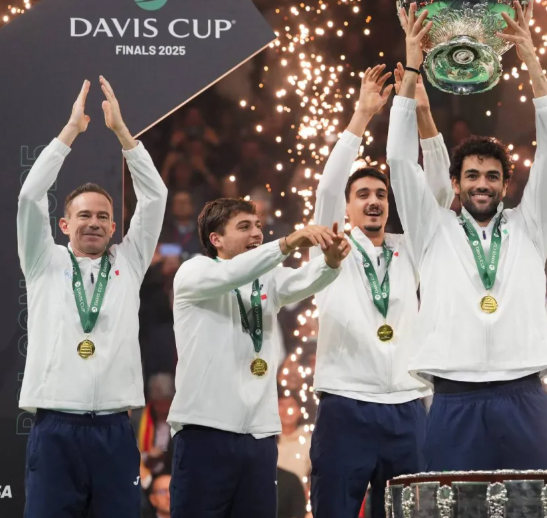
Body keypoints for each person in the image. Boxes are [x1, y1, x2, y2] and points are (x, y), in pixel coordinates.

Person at [387, 1, 547, 470]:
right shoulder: (431, 228)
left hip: (524, 391)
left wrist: (531, 60)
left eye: (492, 176)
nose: (482, 184)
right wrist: (411, 69)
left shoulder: (530, 226)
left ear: (506, 185)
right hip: (454, 396)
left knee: (546, 502)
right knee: (449, 504)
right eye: (472, 175)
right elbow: (400, 161)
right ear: (455, 184)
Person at [18, 77, 167, 518]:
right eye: (84, 215)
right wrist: (70, 133)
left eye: (104, 216)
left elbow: (155, 196)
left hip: (114, 428)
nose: (95, 222)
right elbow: (30, 195)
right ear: (64, 225)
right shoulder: (43, 261)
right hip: (55, 427)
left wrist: (124, 135)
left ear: (114, 227)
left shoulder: (129, 262)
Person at [308, 63, 452, 518]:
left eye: (381, 194)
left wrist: (424, 116)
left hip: (407, 406)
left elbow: (439, 193)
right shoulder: (330, 247)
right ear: (347, 208)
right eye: (363, 194)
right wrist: (361, 115)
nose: (374, 200)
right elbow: (328, 187)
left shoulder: (410, 248)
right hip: (345, 404)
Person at [167, 200, 350, 518]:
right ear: (216, 239)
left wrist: (331, 263)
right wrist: (287, 242)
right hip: (204, 432)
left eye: (258, 226)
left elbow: (302, 279)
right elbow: (232, 274)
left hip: (260, 435)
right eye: (244, 227)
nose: (256, 233)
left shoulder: (268, 278)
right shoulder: (194, 272)